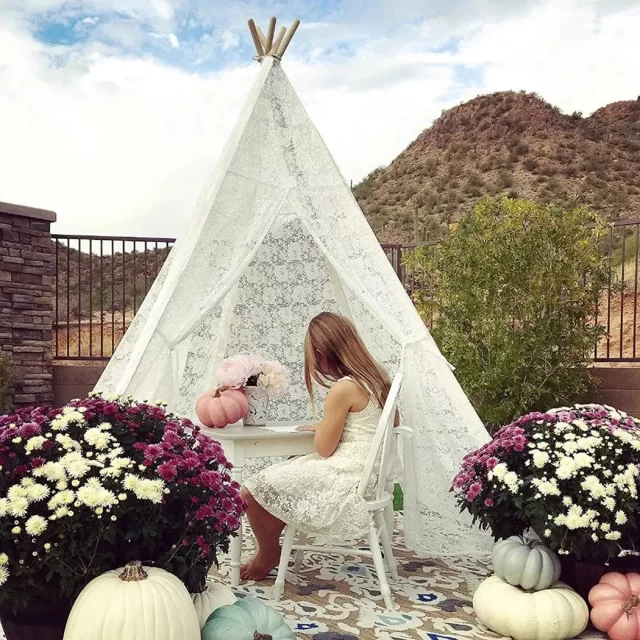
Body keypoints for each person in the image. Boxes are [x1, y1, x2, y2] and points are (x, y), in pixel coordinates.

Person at [240, 311, 399, 581]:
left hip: (348, 477)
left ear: (321, 352)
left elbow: (324, 449)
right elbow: (388, 422)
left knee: (250, 493)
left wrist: (326, 425)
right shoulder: (378, 379)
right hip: (369, 473)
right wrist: (335, 423)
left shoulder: (343, 389)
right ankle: (271, 547)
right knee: (283, 479)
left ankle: (268, 552)